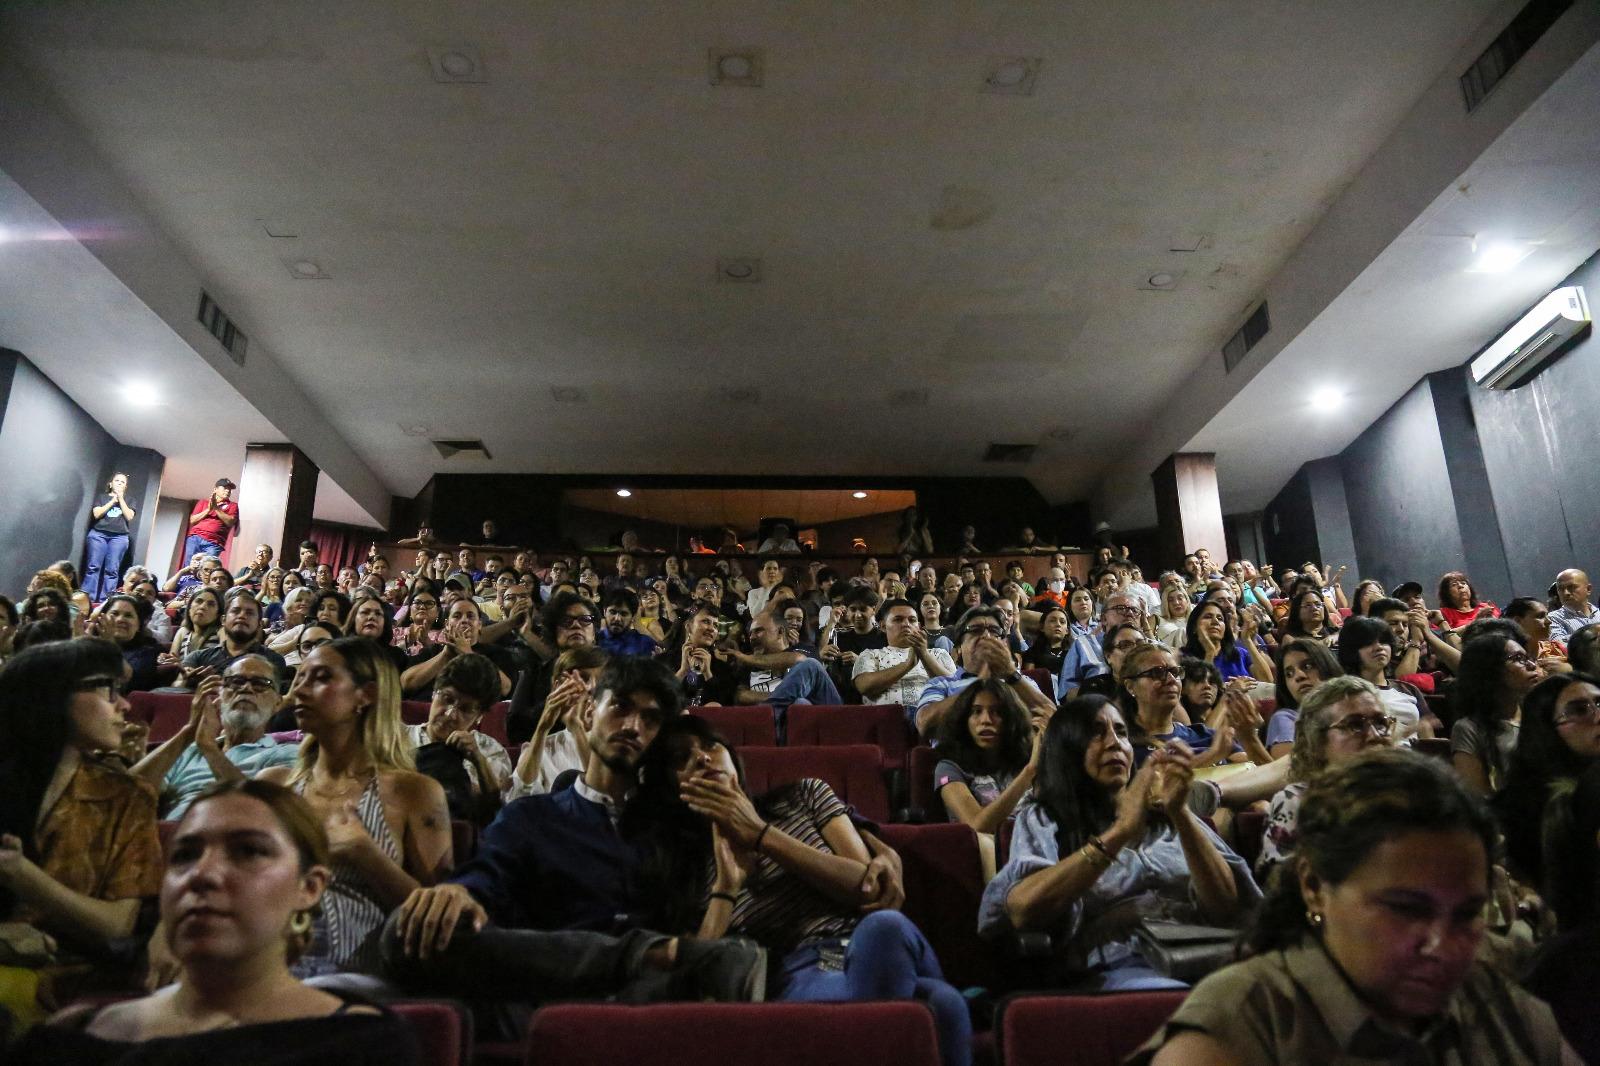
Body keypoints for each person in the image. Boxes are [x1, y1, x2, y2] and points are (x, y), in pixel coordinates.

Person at [378, 658, 771, 1026]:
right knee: (405, 931)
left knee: (728, 961)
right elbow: (486, 879)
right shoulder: (531, 816)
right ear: (590, 711)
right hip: (542, 993)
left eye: (650, 720)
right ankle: (638, 956)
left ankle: (636, 965)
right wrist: (458, 894)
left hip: (642, 1001)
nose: (633, 726)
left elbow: (703, 942)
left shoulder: (675, 827)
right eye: (620, 707)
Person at [1133, 749, 1576, 1065]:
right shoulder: (1244, 1023)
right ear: (1313, 886)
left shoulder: (1499, 1004)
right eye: (1405, 909)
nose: (1442, 945)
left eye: (1466, 914)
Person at [629, 715, 972, 1066]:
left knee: (885, 928)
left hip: (874, 943)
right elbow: (697, 976)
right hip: (799, 970)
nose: (702, 758)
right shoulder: (682, 866)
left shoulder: (803, 796)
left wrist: (762, 835)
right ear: (670, 786)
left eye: (710, 746)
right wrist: (727, 888)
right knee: (944, 1005)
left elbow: (866, 889)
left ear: (732, 758)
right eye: (681, 758)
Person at [12, 778, 421, 1064]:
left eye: (248, 851)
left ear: (309, 887)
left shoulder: (360, 1043)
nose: (202, 874)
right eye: (185, 855)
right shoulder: (77, 1034)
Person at [979, 696, 1260, 990]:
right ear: (1068, 749)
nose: (1114, 743)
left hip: (1209, 955)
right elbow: (1024, 909)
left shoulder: (1169, 813)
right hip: (1122, 963)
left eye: (1121, 732)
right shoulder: (1046, 818)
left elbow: (1226, 907)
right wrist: (1120, 832)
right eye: (1096, 733)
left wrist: (1181, 814)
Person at [257, 637, 452, 978]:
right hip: (262, 972)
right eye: (299, 678)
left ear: (367, 694)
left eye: (320, 678)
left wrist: (365, 853)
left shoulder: (414, 791)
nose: (299, 691)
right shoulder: (274, 785)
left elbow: (436, 917)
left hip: (356, 980)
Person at [0, 640, 162, 1021]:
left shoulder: (126, 796)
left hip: (64, 980)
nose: (124, 705)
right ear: (51, 696)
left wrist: (25, 877)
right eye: (107, 689)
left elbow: (117, 926)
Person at [1254, 676, 1396, 883]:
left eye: (1381, 722)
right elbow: (1283, 897)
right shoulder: (1297, 803)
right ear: (1317, 743)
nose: (1374, 735)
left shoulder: (1414, 792)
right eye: (1355, 725)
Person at [133, 656, 301, 820]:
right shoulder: (187, 749)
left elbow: (263, 814)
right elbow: (127, 792)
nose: (246, 689)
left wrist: (210, 750)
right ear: (220, 697)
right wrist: (189, 731)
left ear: (278, 703)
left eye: (260, 684)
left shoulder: (286, 754)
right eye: (236, 681)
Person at [1493, 673, 1600, 897]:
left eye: (1599, 702)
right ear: (1546, 728)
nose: (1598, 715)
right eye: (1580, 710)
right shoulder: (1531, 807)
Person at [913, 605, 1053, 739]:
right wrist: (981, 683)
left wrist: (1011, 673)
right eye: (975, 630)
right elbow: (924, 725)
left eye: (994, 631)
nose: (986, 635)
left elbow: (1053, 720)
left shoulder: (1020, 681)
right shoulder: (941, 684)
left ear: (1004, 644)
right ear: (959, 648)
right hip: (957, 761)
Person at [405, 652, 512, 826]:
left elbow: (495, 810)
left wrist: (478, 760)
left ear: (479, 717)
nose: (450, 714)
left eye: (465, 709)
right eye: (447, 699)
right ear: (434, 694)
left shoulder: (490, 751)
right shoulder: (399, 737)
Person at [1120, 643, 1267, 768]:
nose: (1171, 680)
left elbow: (1262, 773)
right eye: (1157, 673)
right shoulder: (1124, 743)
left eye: (1174, 672)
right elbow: (1150, 790)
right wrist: (1211, 756)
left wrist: (1249, 738)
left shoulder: (1205, 735)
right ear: (1130, 686)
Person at [933, 679, 1041, 833]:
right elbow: (978, 826)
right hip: (983, 851)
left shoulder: (1027, 756)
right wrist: (1029, 772)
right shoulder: (949, 767)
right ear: (964, 719)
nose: (986, 720)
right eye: (976, 711)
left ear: (1011, 719)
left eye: (996, 712)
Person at [1450, 631, 1544, 796]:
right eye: (1518, 659)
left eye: (1529, 658)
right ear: (1489, 669)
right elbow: (1477, 799)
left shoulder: (1541, 714)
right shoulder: (1469, 728)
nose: (1531, 665)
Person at [1333, 615, 1428, 740]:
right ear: (1352, 651)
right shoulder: (1344, 693)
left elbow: (1427, 737)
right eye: (1368, 643)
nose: (1379, 647)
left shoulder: (1409, 690)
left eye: (1383, 642)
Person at [399, 598, 515, 699]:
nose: (464, 620)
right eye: (457, 616)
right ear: (447, 625)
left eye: (470, 616)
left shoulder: (497, 653)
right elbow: (406, 683)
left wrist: (468, 653)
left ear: (479, 625)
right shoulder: (432, 651)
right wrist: (446, 655)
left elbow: (505, 688)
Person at [851, 598, 956, 707]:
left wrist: (924, 655)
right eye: (898, 620)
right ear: (883, 626)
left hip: (934, 717)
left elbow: (956, 688)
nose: (906, 624)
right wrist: (907, 665)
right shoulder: (870, 655)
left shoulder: (938, 654)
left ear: (919, 627)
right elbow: (864, 686)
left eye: (912, 620)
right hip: (886, 719)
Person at [176, 590, 288, 691]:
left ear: (259, 624)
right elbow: (175, 687)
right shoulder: (197, 658)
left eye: (249, 613)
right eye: (236, 611)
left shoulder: (273, 660)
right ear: (223, 620)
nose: (242, 616)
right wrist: (188, 682)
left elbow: (271, 697)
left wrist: (222, 686)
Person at [1264, 638, 1342, 759]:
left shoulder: (1352, 707)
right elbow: (1291, 773)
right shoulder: (1285, 718)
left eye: (1308, 666)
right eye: (1289, 674)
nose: (1298, 676)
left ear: (1327, 666)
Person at [1183, 595, 1272, 683]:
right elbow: (1202, 691)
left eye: (1220, 618)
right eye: (1208, 617)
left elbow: (1267, 681)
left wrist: (1247, 640)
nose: (1215, 621)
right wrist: (1209, 653)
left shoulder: (1239, 653)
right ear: (1194, 626)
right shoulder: (1184, 657)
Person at [88, 594, 167, 693]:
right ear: (101, 618)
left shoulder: (147, 652)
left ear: (139, 625)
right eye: (115, 613)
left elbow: (128, 685)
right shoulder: (90, 645)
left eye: (128, 615)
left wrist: (110, 644)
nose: (120, 619)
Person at [83, 472, 137, 603]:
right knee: (93, 567)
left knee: (112, 570)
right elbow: (97, 514)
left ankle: (105, 601)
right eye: (117, 481)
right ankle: (87, 599)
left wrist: (121, 499)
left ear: (125, 486)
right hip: (98, 535)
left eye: (122, 482)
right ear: (111, 484)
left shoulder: (130, 500)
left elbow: (129, 516)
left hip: (119, 537)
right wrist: (113, 500)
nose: (119, 483)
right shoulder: (102, 497)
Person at [183, 479, 239, 567]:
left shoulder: (233, 505)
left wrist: (216, 508)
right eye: (225, 488)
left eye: (229, 489)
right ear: (215, 489)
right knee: (189, 566)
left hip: (214, 543)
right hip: (195, 538)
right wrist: (208, 510)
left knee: (207, 568)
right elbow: (193, 520)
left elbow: (230, 522)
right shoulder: (203, 502)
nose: (228, 490)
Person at [1506, 596, 1571, 671]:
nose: (1549, 622)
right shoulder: (1507, 657)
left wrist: (1568, 669)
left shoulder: (1556, 649)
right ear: (1517, 621)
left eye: (1547, 615)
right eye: (1540, 616)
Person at [596, 589, 659, 657]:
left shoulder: (645, 643)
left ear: (633, 617)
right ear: (604, 612)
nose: (617, 619)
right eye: (613, 612)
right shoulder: (594, 641)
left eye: (624, 614)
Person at [1549, 568, 1600, 643]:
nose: (1566, 593)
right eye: (1560, 588)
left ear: (1588, 589)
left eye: (1571, 587)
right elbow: (1559, 646)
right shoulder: (1553, 618)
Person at [1152, 579, 1191, 649]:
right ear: (1166, 604)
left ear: (1187, 601)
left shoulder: (1197, 619)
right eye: (1170, 600)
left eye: (1180, 598)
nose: (1176, 603)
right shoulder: (1157, 620)